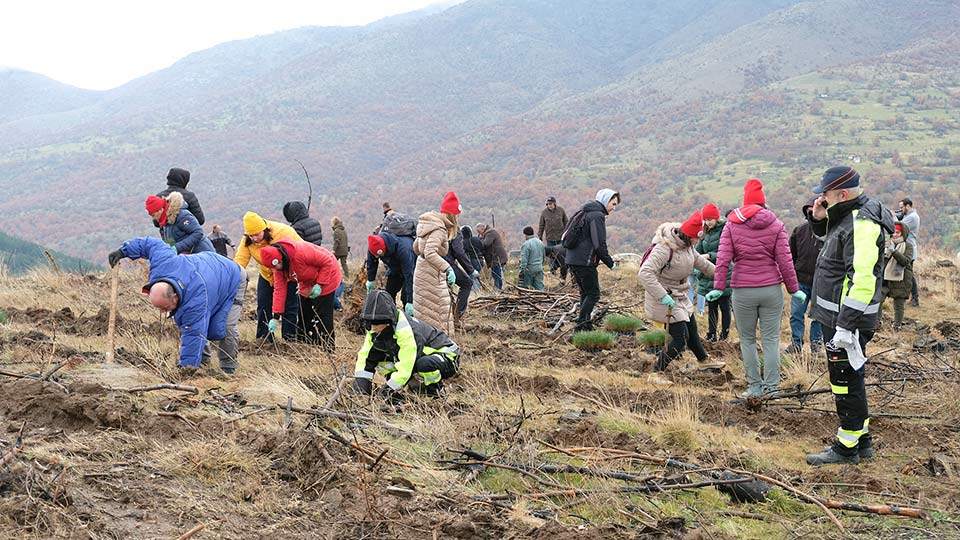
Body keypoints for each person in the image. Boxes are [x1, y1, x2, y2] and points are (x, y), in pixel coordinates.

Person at [804, 166, 894, 466]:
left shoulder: (862, 224)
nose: (822, 198)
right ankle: (862, 439)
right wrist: (818, 220)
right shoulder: (847, 217)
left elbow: (864, 279)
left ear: (842, 194)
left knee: (844, 380)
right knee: (850, 377)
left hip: (847, 321)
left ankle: (846, 446)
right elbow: (834, 248)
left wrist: (845, 326)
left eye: (826, 195)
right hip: (839, 318)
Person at [708, 179, 802, 398]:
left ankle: (755, 388)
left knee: (748, 340)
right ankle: (773, 387)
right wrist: (793, 288)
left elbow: (722, 260)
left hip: (743, 290)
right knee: (771, 340)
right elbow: (785, 261)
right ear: (763, 203)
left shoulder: (732, 225)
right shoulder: (776, 225)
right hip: (771, 289)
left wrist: (719, 287)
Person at [108, 236, 246, 376]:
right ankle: (203, 362)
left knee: (222, 327)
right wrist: (123, 251)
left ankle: (228, 369)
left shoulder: (196, 297)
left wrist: (186, 370)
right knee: (198, 323)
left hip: (233, 277)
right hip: (209, 271)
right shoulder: (163, 262)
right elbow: (150, 244)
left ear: (174, 297)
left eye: (165, 307)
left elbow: (193, 333)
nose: (163, 312)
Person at [639, 211, 724, 375]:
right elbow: (645, 273)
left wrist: (724, 275)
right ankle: (657, 372)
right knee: (680, 339)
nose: (698, 241)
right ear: (688, 235)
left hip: (681, 294)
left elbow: (702, 264)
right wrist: (662, 296)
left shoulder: (688, 247)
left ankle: (703, 360)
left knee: (692, 330)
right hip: (664, 297)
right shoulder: (664, 249)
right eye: (696, 238)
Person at [352, 290, 460, 401]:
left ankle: (436, 392)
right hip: (421, 356)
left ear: (388, 321)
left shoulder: (406, 331)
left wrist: (388, 389)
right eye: (370, 323)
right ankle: (410, 388)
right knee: (381, 358)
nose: (373, 327)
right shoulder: (375, 330)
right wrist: (361, 386)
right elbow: (365, 357)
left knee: (423, 363)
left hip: (448, 354)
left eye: (377, 323)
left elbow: (407, 364)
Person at [258, 240, 342, 351]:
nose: (274, 270)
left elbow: (328, 261)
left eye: (275, 266)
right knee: (304, 315)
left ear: (280, 259)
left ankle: (328, 350)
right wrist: (276, 316)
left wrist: (320, 284)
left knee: (323, 316)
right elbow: (279, 290)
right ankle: (305, 348)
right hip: (307, 281)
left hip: (328, 276)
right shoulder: (279, 269)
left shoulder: (301, 253)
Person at [234, 211, 302, 341]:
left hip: (286, 275)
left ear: (264, 229)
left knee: (289, 307)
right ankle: (263, 338)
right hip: (266, 275)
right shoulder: (247, 240)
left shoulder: (283, 232)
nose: (254, 238)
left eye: (257, 234)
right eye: (251, 235)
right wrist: (232, 278)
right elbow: (240, 261)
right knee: (263, 305)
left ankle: (289, 339)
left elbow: (302, 251)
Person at [565, 188, 619, 333]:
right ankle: (581, 325)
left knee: (585, 293)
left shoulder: (583, 211)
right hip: (585, 261)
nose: (613, 208)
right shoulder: (597, 215)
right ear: (605, 201)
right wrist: (610, 263)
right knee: (594, 294)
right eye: (613, 204)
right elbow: (598, 244)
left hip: (572, 259)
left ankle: (586, 324)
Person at [413, 192, 461, 335]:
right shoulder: (439, 229)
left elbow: (416, 248)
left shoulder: (426, 225)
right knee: (439, 310)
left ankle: (426, 340)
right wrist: (447, 268)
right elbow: (430, 252)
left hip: (421, 271)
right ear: (452, 215)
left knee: (424, 311)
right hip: (432, 274)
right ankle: (442, 343)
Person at [786, 200, 824, 354]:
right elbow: (790, 254)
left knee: (819, 316)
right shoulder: (799, 231)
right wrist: (793, 273)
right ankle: (796, 344)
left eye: (813, 210)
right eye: (808, 211)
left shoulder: (828, 231)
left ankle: (816, 345)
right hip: (800, 281)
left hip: (821, 282)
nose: (811, 213)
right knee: (796, 313)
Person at [695, 203, 731, 342]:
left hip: (724, 272)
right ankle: (712, 334)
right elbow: (699, 249)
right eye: (706, 219)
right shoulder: (704, 232)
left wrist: (710, 255)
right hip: (708, 273)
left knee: (724, 305)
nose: (707, 222)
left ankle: (724, 335)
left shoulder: (725, 229)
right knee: (712, 306)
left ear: (716, 218)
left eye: (710, 219)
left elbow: (727, 251)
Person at [367, 231, 417, 315]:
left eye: (379, 255)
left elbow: (409, 275)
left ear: (385, 248)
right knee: (388, 294)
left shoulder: (404, 249)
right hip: (395, 268)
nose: (377, 257)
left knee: (405, 297)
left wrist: (410, 301)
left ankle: (410, 320)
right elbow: (371, 263)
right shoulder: (373, 247)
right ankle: (391, 317)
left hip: (411, 267)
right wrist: (370, 280)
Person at [145, 193, 214, 254]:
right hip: (189, 258)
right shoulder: (165, 222)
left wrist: (177, 247)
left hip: (203, 255)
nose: (153, 218)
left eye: (153, 215)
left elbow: (198, 232)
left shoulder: (182, 215)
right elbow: (172, 241)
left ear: (160, 210)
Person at [877, 222, 914, 330]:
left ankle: (897, 325)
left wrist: (894, 251)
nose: (895, 234)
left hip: (901, 279)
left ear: (903, 233)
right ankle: (877, 322)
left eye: (897, 232)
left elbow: (905, 261)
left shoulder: (908, 246)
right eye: (893, 232)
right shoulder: (887, 244)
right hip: (886, 278)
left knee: (899, 305)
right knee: (878, 300)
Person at [443, 222, 478, 323]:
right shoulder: (454, 229)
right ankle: (457, 316)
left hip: (429, 263)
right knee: (467, 283)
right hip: (448, 264)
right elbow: (458, 251)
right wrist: (471, 270)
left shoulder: (436, 227)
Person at [897, 198, 920, 307]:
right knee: (907, 275)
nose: (901, 210)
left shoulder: (912, 218)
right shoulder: (908, 216)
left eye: (902, 207)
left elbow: (899, 227)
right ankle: (908, 297)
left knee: (909, 276)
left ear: (908, 206)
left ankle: (915, 299)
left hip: (909, 250)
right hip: (906, 249)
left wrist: (892, 216)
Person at [538, 196, 568, 274]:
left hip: (560, 237)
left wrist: (567, 233)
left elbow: (566, 222)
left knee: (561, 254)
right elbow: (541, 225)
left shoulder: (561, 210)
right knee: (551, 255)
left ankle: (563, 267)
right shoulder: (544, 213)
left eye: (550, 204)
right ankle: (552, 269)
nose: (549, 205)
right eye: (547, 204)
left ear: (554, 203)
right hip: (550, 237)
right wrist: (540, 236)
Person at [477, 223, 508, 291]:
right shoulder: (489, 233)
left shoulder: (490, 233)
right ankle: (498, 288)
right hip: (496, 257)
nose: (480, 234)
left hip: (496, 258)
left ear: (482, 229)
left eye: (480, 232)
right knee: (497, 274)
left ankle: (498, 289)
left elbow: (486, 243)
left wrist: (479, 241)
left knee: (496, 275)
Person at [519, 226, 545, 290]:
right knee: (539, 288)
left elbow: (524, 260)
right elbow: (543, 256)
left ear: (525, 234)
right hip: (539, 268)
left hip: (529, 270)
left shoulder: (526, 244)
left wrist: (522, 271)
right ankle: (542, 298)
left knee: (526, 289)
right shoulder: (540, 242)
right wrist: (541, 265)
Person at [462, 226, 484, 290]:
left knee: (472, 277)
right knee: (476, 276)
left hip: (472, 261)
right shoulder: (477, 239)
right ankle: (478, 290)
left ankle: (475, 292)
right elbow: (482, 247)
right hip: (480, 260)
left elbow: (462, 252)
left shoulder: (464, 242)